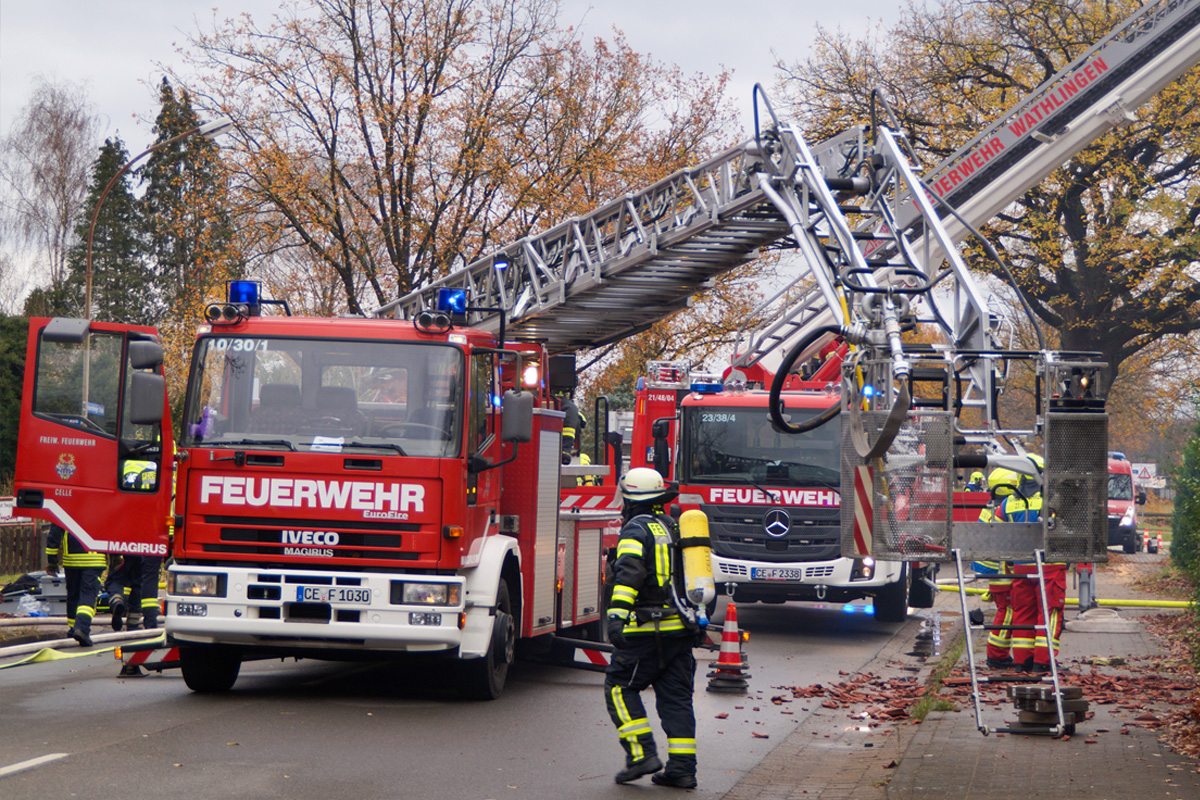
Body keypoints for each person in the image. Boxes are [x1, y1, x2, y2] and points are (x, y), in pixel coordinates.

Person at [604, 467, 699, 789]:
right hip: (681, 629)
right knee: (676, 699)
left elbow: (629, 574)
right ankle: (682, 769)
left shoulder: (635, 529)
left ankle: (641, 754)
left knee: (619, 687)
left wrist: (616, 617)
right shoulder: (673, 526)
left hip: (646, 631)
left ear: (630, 500)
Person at [998, 454, 1066, 674]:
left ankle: (1022, 661)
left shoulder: (1007, 503)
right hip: (1050, 565)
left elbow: (996, 533)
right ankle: (1043, 662)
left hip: (1020, 567)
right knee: (1050, 613)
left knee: (1022, 613)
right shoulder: (1055, 499)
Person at [973, 467, 1020, 670]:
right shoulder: (1004, 510)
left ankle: (998, 655)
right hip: (1001, 571)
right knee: (1007, 610)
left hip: (994, 570)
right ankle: (997, 655)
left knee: (1005, 609)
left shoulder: (991, 508)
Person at [46, 522, 106, 647]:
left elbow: (54, 532)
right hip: (94, 559)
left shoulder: (67, 508)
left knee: (73, 595)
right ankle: (82, 628)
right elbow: (111, 529)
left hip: (71, 560)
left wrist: (52, 560)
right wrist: (117, 556)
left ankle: (73, 629)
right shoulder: (101, 508)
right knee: (88, 595)